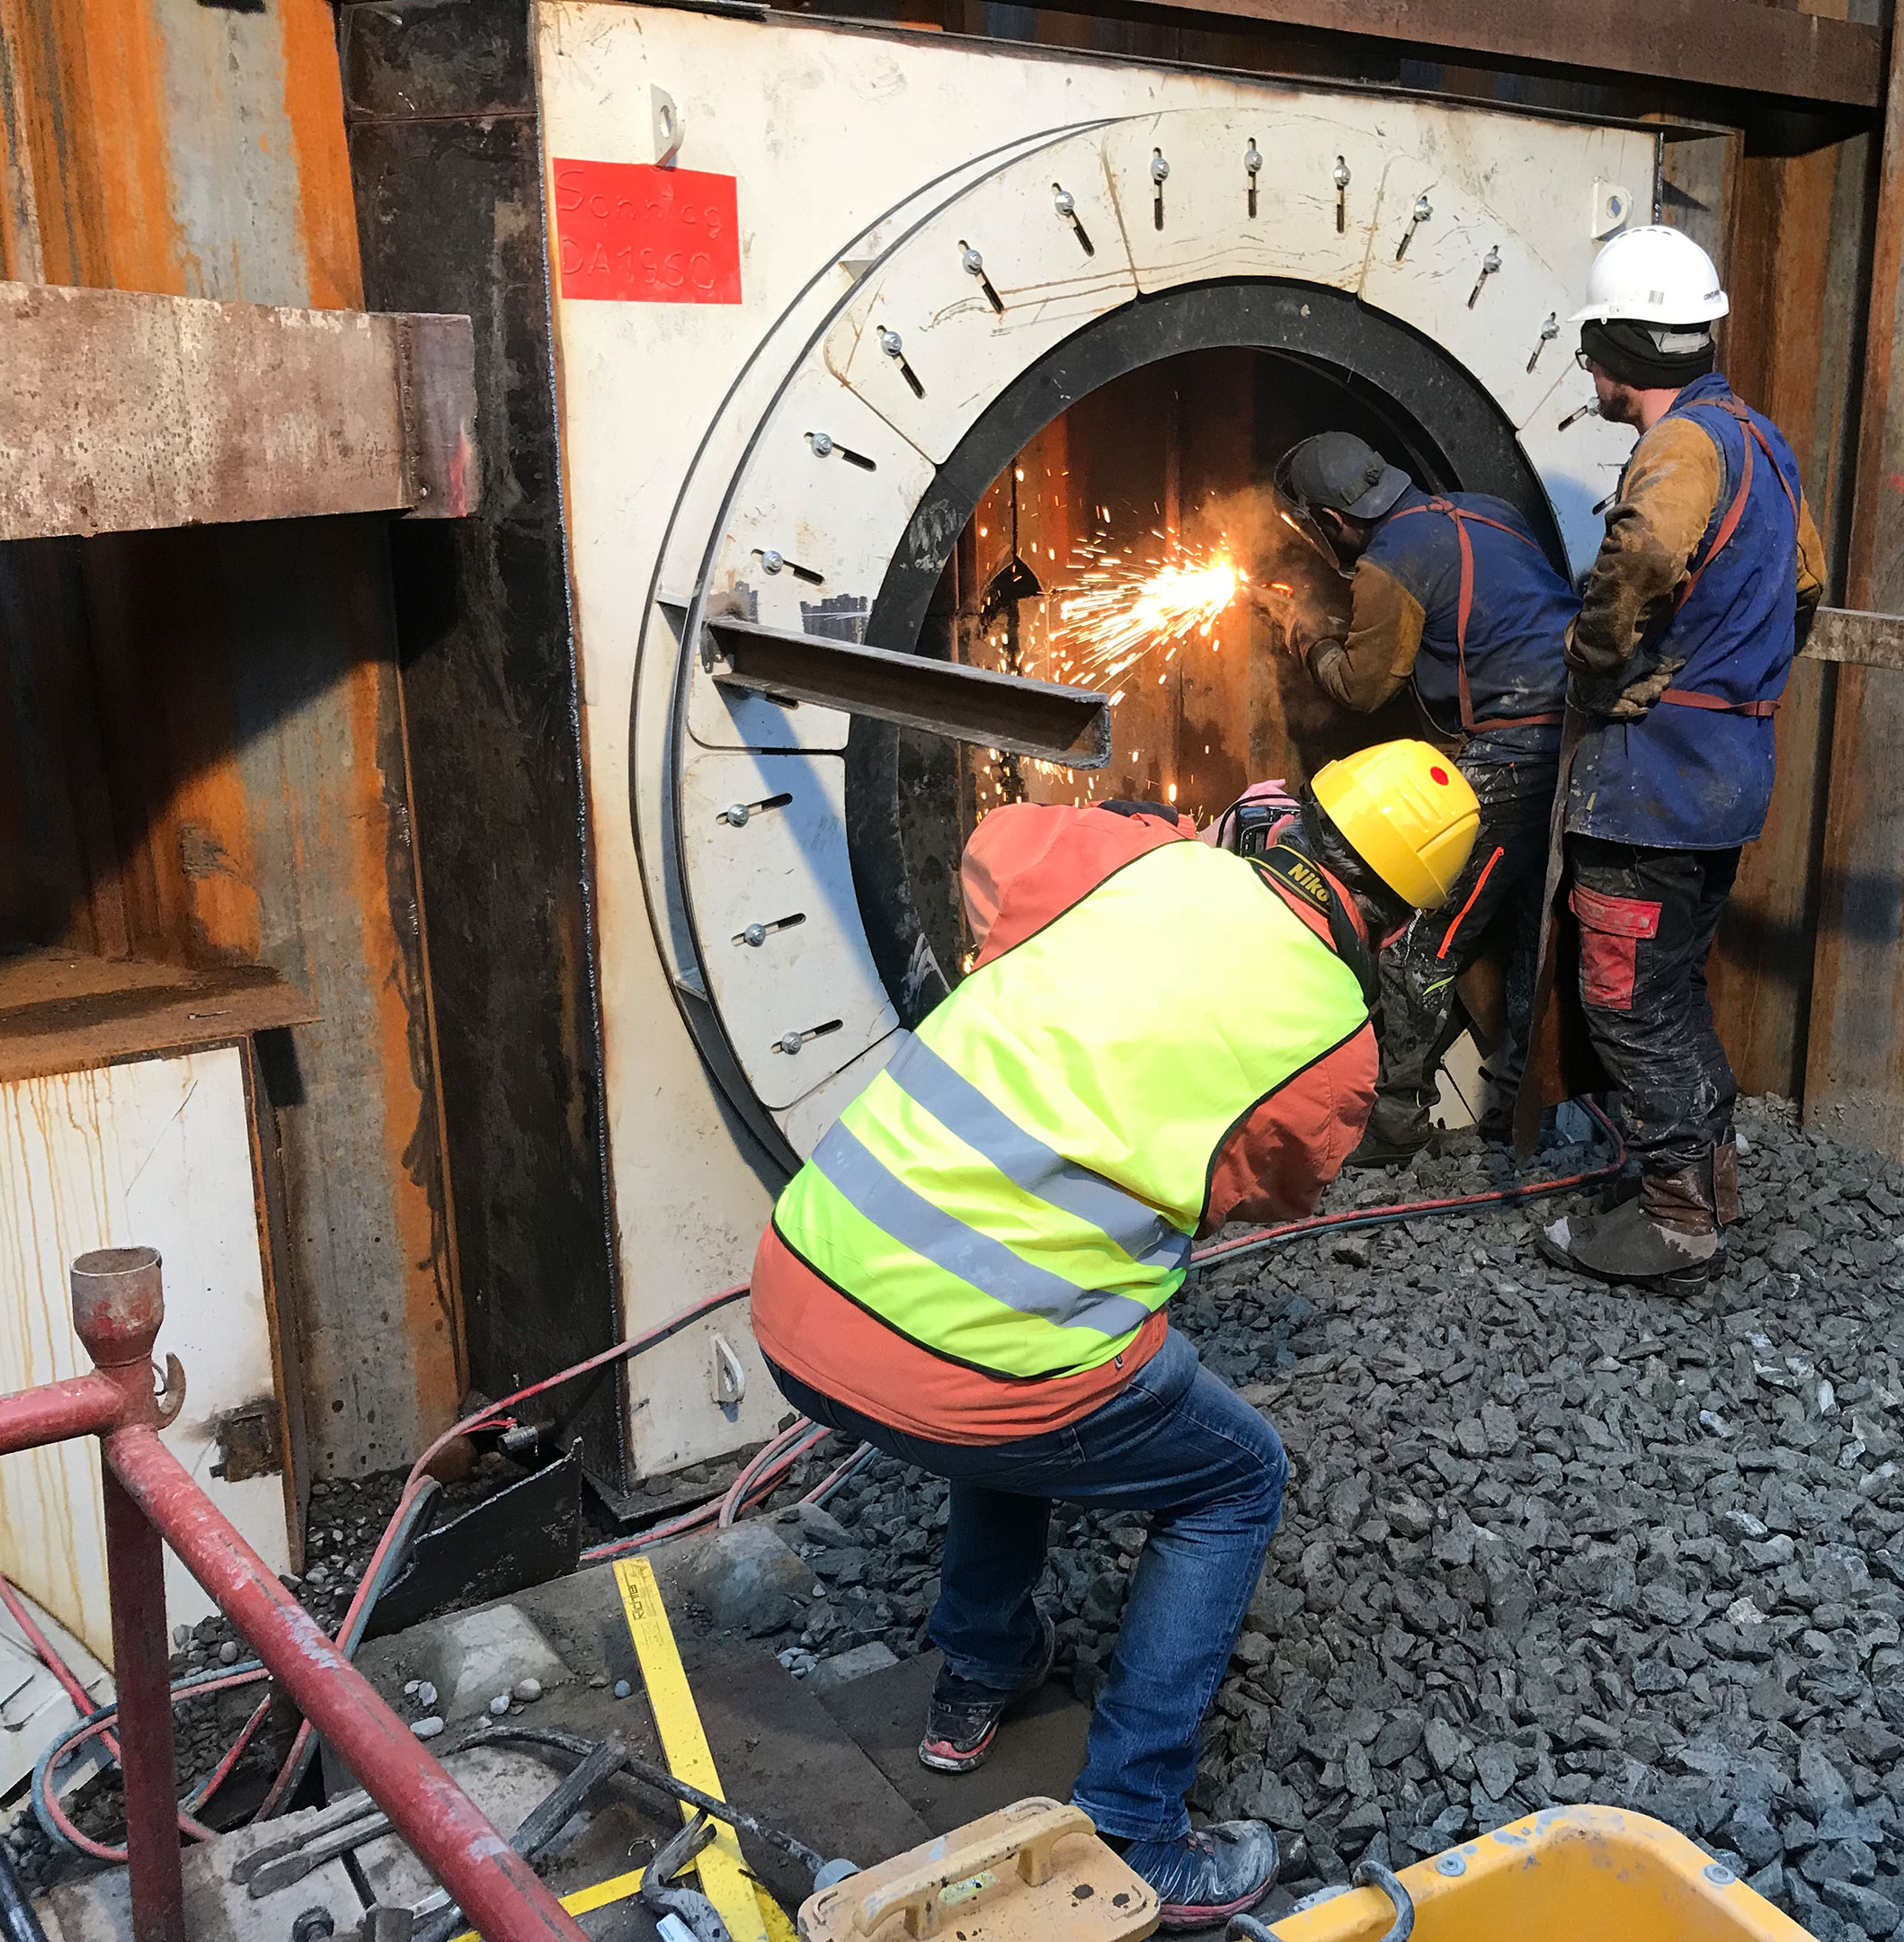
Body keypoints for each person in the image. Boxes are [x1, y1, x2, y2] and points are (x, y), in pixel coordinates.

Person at [747, 744, 1478, 1930]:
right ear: (1398, 921)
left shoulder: (1138, 859)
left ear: (1293, 812)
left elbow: (989, 855)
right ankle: (1140, 1827)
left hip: (801, 1282)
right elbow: (1265, 1188)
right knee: (1236, 1477)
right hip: (973, 1367)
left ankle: (977, 1677)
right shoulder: (1333, 1044)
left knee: (1036, 1362)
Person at [1535, 225, 1827, 1290]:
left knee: (1623, 993)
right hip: (1729, 771)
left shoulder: (1680, 447)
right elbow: (1801, 593)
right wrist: (1725, 676)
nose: (1591, 373)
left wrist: (1596, 659)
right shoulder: (1761, 439)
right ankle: (1709, 1183)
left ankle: (1674, 1224)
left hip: (1652, 776)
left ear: (1618, 346)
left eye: (1594, 349)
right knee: (1669, 986)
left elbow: (1647, 553)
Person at [1259, 431, 1578, 1167]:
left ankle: (1395, 1122)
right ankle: (1520, 1112)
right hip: (1572, 738)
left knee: (1418, 941)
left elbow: (1364, 687)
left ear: (1332, 522)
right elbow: (1474, 622)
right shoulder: (1485, 510)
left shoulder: (1387, 564)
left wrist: (1305, 635)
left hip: (1516, 753)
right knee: (1528, 934)